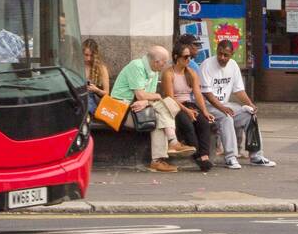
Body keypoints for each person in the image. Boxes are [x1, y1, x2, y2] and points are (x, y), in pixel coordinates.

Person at [111, 46, 193, 173]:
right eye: (164, 62)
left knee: (165, 109)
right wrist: (155, 97)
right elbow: (142, 95)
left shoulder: (154, 70)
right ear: (156, 62)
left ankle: (164, 153)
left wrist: (146, 100)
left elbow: (146, 98)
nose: (165, 65)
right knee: (162, 109)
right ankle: (169, 146)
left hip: (140, 107)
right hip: (122, 109)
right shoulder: (136, 66)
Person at [200, 40, 276, 169]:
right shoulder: (206, 65)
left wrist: (250, 104)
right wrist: (223, 108)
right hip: (208, 106)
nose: (222, 58)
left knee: (249, 115)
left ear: (232, 54)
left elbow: (239, 90)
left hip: (225, 104)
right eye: (220, 54)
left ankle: (256, 155)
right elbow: (207, 94)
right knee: (226, 116)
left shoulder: (233, 65)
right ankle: (230, 157)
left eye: (226, 55)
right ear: (216, 51)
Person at [162, 41, 214, 172]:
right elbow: (170, 98)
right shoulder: (169, 73)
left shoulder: (191, 73)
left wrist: (204, 111)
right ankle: (197, 157)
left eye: (190, 56)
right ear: (176, 57)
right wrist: (187, 111)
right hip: (175, 106)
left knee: (204, 123)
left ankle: (204, 156)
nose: (188, 59)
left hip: (189, 104)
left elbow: (197, 94)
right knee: (187, 124)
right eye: (185, 57)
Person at [83, 38, 110, 115]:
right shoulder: (77, 65)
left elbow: (106, 94)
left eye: (91, 55)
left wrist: (96, 90)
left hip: (89, 102)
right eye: (86, 55)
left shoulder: (101, 69)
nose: (88, 58)